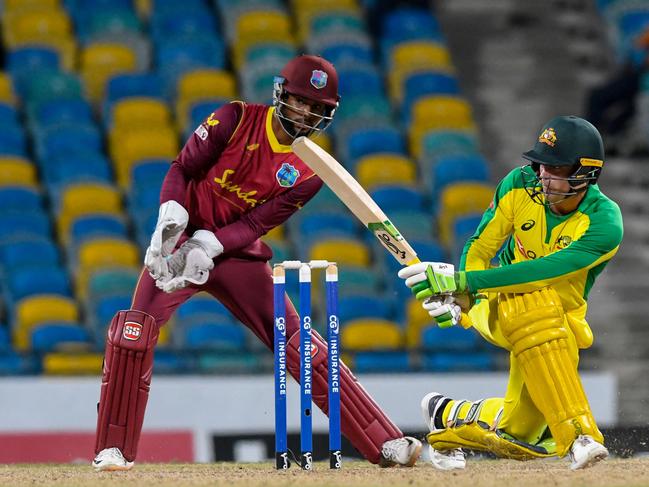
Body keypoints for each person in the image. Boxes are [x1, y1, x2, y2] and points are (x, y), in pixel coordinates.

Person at [91, 54, 422, 471]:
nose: (307, 113)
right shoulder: (235, 118)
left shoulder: (312, 171)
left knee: (302, 346)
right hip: (178, 246)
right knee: (133, 332)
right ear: (282, 93)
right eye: (302, 101)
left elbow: (257, 221)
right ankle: (113, 449)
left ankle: (385, 442)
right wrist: (170, 219)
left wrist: (210, 246)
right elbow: (183, 167)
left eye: (318, 108)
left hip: (235, 256)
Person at [397, 116, 623, 471]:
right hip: (499, 305)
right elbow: (480, 246)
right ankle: (579, 436)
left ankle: (448, 417)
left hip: (560, 324)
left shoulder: (604, 223)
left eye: (557, 168)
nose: (544, 176)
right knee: (535, 304)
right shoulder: (517, 185)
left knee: (522, 432)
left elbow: (544, 272)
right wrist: (467, 297)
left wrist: (464, 283)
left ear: (586, 172)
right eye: (542, 165)